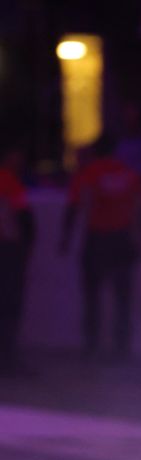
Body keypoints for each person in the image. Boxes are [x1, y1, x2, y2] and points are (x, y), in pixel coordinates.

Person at [60, 134, 141, 361]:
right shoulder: (130, 174)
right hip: (123, 239)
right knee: (123, 299)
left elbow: (73, 207)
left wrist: (65, 239)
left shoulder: (88, 174)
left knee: (92, 298)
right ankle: (122, 350)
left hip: (97, 238)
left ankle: (91, 349)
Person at [0, 147, 35, 376]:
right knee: (9, 303)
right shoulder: (9, 182)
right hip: (8, 248)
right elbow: (24, 217)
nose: (21, 161)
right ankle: (6, 358)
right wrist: (27, 246)